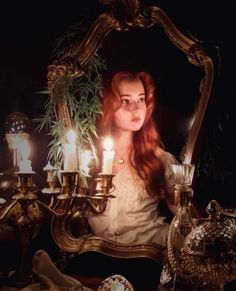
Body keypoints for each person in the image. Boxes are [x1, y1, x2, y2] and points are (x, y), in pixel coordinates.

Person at [87, 70, 178, 247]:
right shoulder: (88, 157)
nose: (136, 109)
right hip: (99, 255)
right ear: (108, 104)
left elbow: (185, 215)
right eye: (125, 100)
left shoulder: (159, 158)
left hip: (149, 252)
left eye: (141, 99)